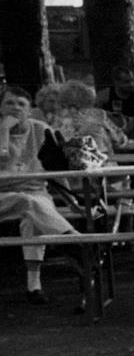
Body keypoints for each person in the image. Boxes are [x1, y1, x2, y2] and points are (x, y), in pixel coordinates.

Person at [0, 86, 79, 305]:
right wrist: (4, 131)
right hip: (3, 196)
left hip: (36, 192)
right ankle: (75, 242)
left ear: (29, 109)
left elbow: (57, 170)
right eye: (9, 103)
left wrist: (71, 200)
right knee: (27, 202)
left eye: (21, 104)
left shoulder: (41, 130)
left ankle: (34, 286)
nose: (15, 108)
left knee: (31, 214)